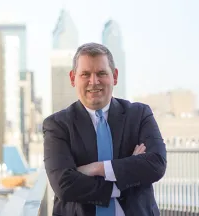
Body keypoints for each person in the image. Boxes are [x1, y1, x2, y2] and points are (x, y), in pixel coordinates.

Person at [43, 42, 167, 216]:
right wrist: (124, 175)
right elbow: (64, 185)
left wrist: (97, 168)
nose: (94, 82)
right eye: (85, 74)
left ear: (114, 76)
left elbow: (156, 164)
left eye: (101, 73)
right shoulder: (57, 125)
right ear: (73, 78)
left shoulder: (139, 115)